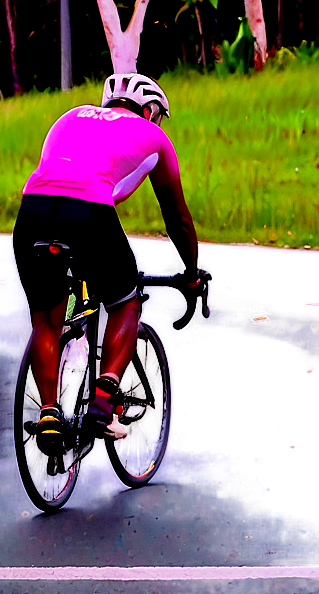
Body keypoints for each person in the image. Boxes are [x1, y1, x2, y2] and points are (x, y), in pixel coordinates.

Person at [12, 73, 205, 454]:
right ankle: (103, 400)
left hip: (32, 211)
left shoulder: (69, 117)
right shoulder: (155, 137)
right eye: (158, 116)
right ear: (150, 110)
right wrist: (192, 272)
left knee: (46, 321)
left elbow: (59, 173)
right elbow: (177, 218)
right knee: (125, 301)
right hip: (89, 214)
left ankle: (49, 414)